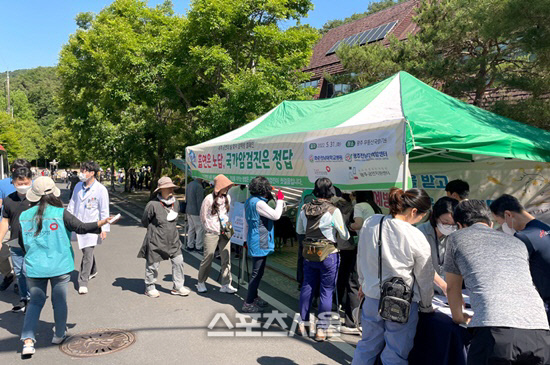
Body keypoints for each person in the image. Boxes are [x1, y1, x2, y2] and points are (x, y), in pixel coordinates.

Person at [18, 176, 117, 356]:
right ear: (53, 194)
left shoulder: (24, 216)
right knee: (59, 301)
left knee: (35, 302)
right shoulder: (60, 212)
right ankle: (59, 333)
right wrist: (101, 223)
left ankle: (27, 340)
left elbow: (21, 242)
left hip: (35, 266)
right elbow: (80, 227)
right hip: (60, 265)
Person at [444, 200, 550, 364]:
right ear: (490, 223)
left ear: (459, 225)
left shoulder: (456, 238)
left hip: (495, 332)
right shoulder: (516, 242)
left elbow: (452, 287)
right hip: (540, 331)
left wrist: (459, 317)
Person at [352, 188, 434, 365]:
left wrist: (362, 282)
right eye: (423, 215)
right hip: (402, 302)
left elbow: (362, 255)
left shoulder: (371, 222)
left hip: (372, 296)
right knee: (395, 353)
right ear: (414, 211)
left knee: (366, 346)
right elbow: (425, 278)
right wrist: (426, 305)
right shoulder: (416, 236)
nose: (422, 219)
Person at [296, 178, 350, 342]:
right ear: (330, 192)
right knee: (326, 290)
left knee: (307, 286)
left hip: (309, 253)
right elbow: (344, 234)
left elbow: (299, 230)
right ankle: (321, 329)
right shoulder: (334, 211)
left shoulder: (305, 208)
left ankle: (302, 324)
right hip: (329, 254)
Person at [490, 194, 550, 323]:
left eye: (499, 222)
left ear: (508, 215)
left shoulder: (523, 238)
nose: (501, 227)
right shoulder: (545, 228)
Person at [139, 177, 190, 298]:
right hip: (156, 239)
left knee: (178, 261)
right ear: (161, 190)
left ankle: (178, 286)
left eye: (172, 187)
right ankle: (150, 286)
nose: (171, 190)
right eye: (168, 188)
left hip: (173, 239)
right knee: (153, 264)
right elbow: (145, 221)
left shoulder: (175, 202)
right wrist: (155, 230)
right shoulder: (153, 204)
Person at [67, 161, 110, 295]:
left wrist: (104, 228)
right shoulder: (78, 186)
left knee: (87, 251)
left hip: (93, 224)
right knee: (86, 250)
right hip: (79, 223)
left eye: (84, 171)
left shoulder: (101, 189)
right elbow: (72, 204)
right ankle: (93, 269)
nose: (82, 173)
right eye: (81, 170)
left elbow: (104, 210)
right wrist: (67, 221)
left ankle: (83, 281)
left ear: (92, 173)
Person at [242, 177, 284, 313]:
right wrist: (281, 199)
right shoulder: (259, 203)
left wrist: (244, 239)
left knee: (257, 272)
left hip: (254, 238)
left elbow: (245, 222)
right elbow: (276, 215)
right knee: (257, 273)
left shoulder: (249, 200)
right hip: (260, 239)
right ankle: (248, 302)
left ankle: (254, 297)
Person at [0, 162, 33, 311]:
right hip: (15, 242)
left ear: (31, 181)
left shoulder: (37, 199)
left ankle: (33, 297)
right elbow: (5, 222)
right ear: (13, 183)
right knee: (19, 272)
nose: (23, 185)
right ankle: (24, 298)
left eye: (26, 182)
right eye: (20, 183)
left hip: (33, 242)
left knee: (28, 271)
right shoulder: (8, 201)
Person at [196, 174, 237, 294]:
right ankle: (201, 281)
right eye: (225, 186)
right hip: (211, 232)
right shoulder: (209, 199)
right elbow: (203, 216)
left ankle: (226, 283)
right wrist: (209, 228)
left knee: (226, 257)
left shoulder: (227, 197)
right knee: (208, 256)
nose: (227, 188)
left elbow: (227, 214)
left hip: (224, 231)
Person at [417, 197, 459, 295]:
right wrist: (444, 286)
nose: (450, 226)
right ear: (435, 217)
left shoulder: (456, 235)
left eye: (454, 224)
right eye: (445, 222)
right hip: (422, 292)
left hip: (445, 293)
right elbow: (423, 266)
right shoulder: (420, 233)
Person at [185, 177, 205, 252]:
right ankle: (198, 246)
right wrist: (202, 212)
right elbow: (199, 201)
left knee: (191, 228)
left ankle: (190, 245)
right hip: (196, 211)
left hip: (188, 209)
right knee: (199, 229)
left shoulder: (189, 184)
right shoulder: (199, 187)